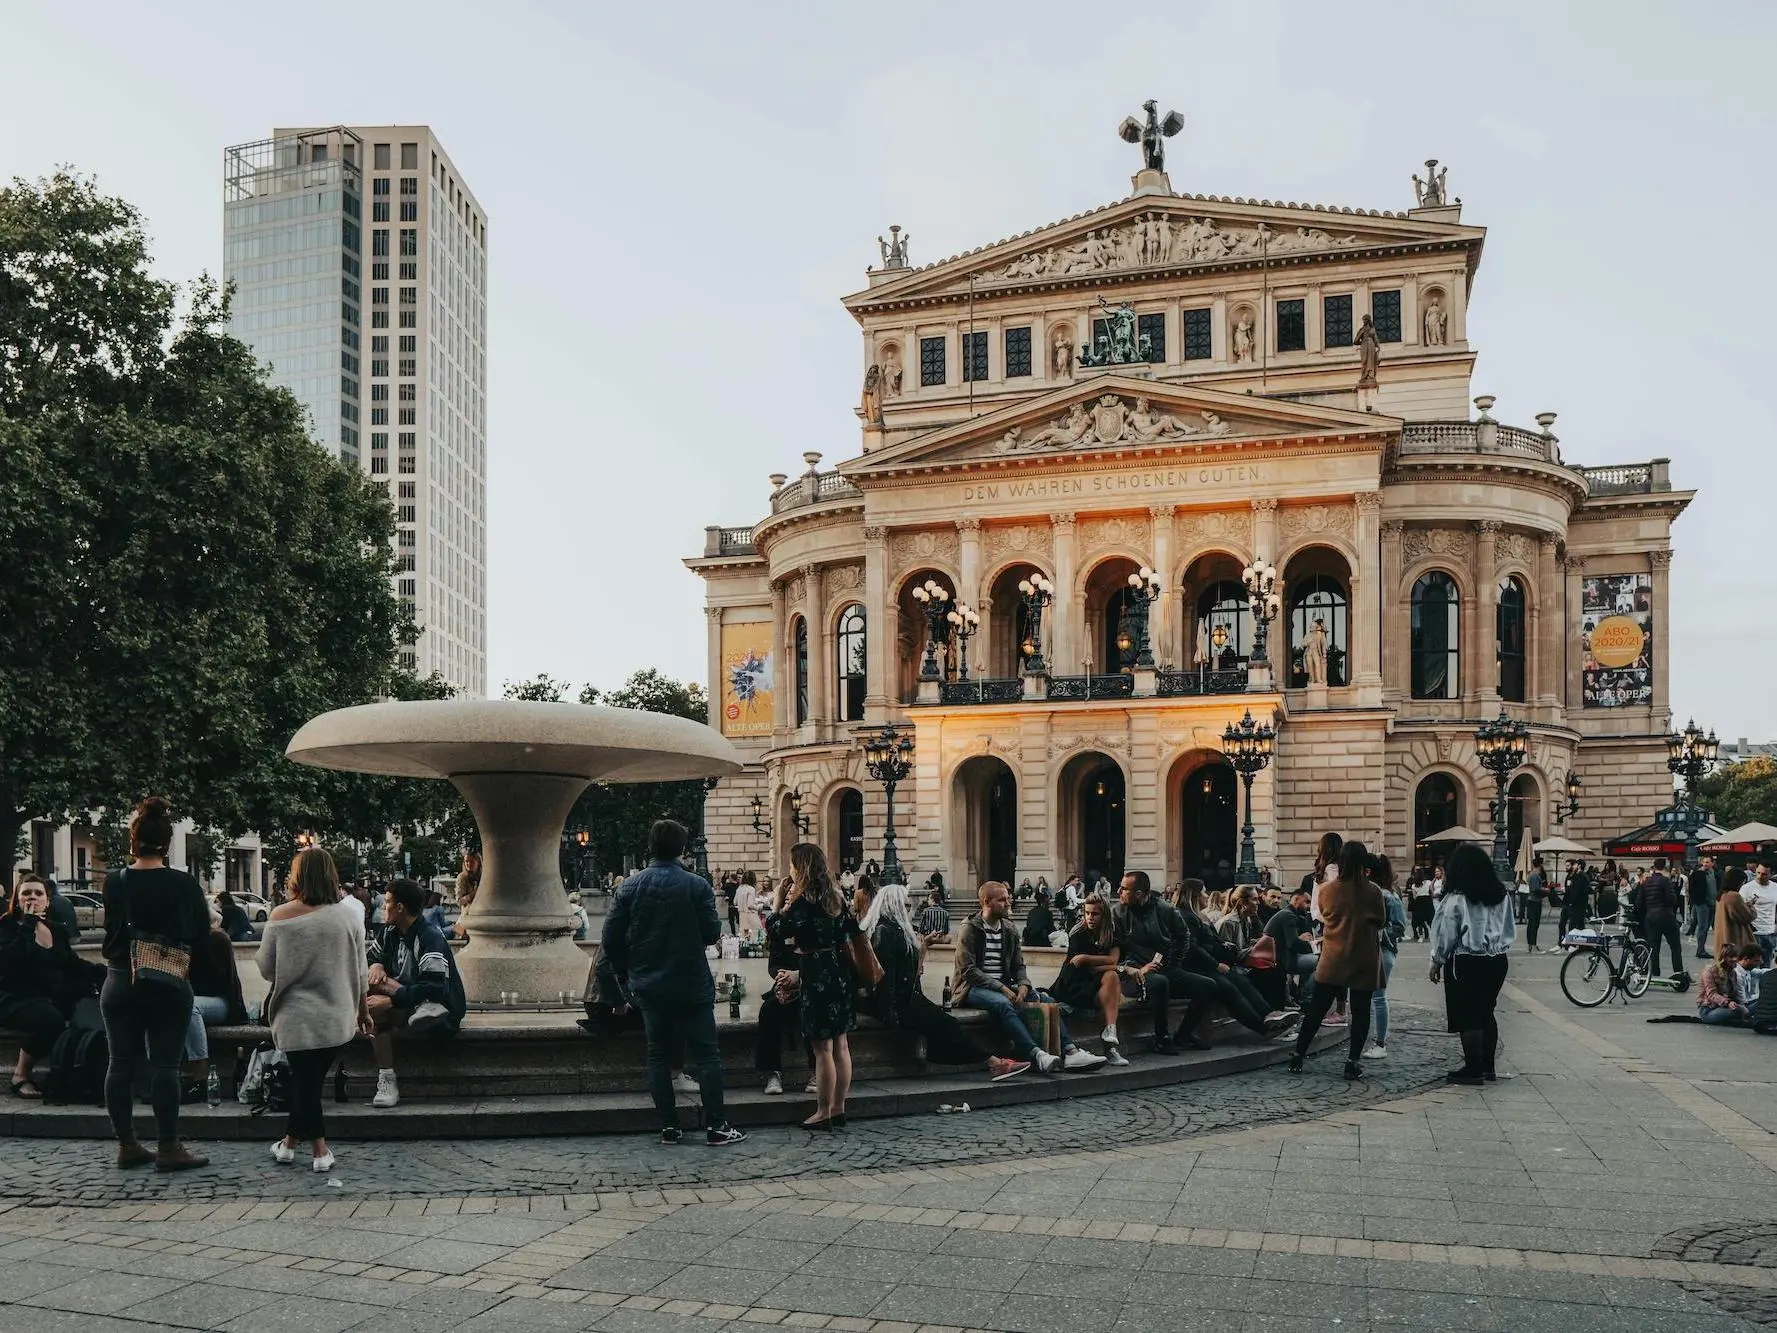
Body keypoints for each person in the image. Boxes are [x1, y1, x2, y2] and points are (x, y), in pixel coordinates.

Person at [603, 821, 746, 1146]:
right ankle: (717, 1126)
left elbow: (610, 939)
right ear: (683, 849)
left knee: (657, 1055)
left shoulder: (630, 887)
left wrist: (627, 974)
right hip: (691, 982)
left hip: (649, 984)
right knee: (707, 1055)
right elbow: (712, 932)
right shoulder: (697, 885)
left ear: (650, 847)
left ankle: (669, 1126)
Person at [100, 797, 210, 1171]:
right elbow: (200, 934)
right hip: (166, 982)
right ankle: (168, 1146)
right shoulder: (183, 884)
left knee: (119, 1064)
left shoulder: (114, 882)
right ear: (167, 843)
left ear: (133, 842)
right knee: (164, 1066)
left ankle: (127, 1143)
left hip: (119, 979)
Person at [257, 848, 369, 1172]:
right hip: (336, 1016)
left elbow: (267, 968)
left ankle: (319, 1151)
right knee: (309, 1082)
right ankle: (289, 1145)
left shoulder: (279, 916)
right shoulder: (350, 917)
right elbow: (361, 971)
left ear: (297, 876)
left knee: (305, 1083)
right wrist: (363, 1011)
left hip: (295, 1017)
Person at [859, 882, 1030, 1080]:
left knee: (946, 1023)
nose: (909, 910)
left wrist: (924, 947)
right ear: (894, 906)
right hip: (899, 1002)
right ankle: (994, 1062)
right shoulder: (885, 932)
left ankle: (994, 1062)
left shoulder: (893, 930)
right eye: (906, 905)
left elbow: (911, 974)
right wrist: (891, 1014)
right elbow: (885, 981)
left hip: (905, 998)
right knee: (948, 1025)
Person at [954, 880, 1105, 1073]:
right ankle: (1037, 1055)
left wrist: (1024, 984)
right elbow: (969, 970)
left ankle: (1071, 1052)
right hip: (971, 988)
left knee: (1046, 999)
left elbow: (1019, 965)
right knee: (1003, 1004)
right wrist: (1002, 988)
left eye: (1008, 899)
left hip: (1005, 985)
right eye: (1002, 900)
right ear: (986, 902)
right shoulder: (969, 928)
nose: (1009, 903)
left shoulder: (1009, 928)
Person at [782, 842, 879, 1129]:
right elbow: (854, 932)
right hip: (840, 972)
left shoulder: (803, 901)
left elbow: (779, 931)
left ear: (801, 867)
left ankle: (823, 1111)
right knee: (841, 1045)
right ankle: (839, 1108)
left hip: (816, 972)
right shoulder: (837, 899)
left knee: (822, 1048)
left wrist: (781, 904)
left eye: (792, 865)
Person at [365, 877, 468, 1110]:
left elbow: (435, 987)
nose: (383, 906)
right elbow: (370, 959)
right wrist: (376, 965)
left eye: (387, 902)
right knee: (369, 989)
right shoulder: (389, 932)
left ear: (400, 907)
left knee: (378, 1009)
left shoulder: (429, 935)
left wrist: (391, 1001)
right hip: (410, 998)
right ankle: (387, 1076)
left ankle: (387, 1078)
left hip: (440, 1005)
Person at [0, 874, 104, 1098]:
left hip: (51, 995)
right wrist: (28, 924)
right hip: (17, 998)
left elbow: (72, 965)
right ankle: (21, 1074)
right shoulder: (6, 926)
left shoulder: (55, 929)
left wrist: (105, 973)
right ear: (16, 900)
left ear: (47, 901)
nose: (32, 898)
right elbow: (12, 960)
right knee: (50, 1019)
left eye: (38, 893)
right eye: (26, 893)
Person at [1288, 842, 1385, 1080]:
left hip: (1335, 955)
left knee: (1318, 1008)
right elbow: (1381, 920)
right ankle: (1353, 1061)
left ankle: (1299, 1053)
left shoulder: (1327, 891)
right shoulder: (1373, 891)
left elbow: (1323, 914)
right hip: (1364, 956)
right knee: (1361, 1012)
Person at [1169, 880, 1297, 1043]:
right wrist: (1216, 964)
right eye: (1203, 892)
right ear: (1194, 895)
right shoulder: (1185, 916)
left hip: (1207, 965)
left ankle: (1270, 1015)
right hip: (1196, 968)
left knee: (1240, 980)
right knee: (1229, 987)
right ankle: (1263, 1027)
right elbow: (1193, 948)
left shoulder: (1196, 916)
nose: (1206, 896)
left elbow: (1210, 941)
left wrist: (1223, 945)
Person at [1429, 843, 1516, 1085]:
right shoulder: (1501, 895)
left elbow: (1446, 933)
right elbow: (1509, 928)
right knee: (1486, 1012)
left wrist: (1437, 961)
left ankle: (1473, 1067)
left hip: (1466, 960)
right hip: (1497, 959)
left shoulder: (1457, 899)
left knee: (1468, 1015)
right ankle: (1488, 1067)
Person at [1112, 871, 1219, 1055]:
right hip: (1131, 973)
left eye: (1124, 888)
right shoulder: (1117, 912)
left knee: (1207, 986)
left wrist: (1172, 963)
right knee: (1161, 983)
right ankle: (1162, 1038)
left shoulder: (1164, 909)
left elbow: (1183, 937)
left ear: (1139, 893)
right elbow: (1112, 948)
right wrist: (1131, 968)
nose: (1119, 891)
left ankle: (1183, 1035)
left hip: (1164, 967)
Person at [1048, 896, 1128, 1065]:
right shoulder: (1078, 932)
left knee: (1111, 977)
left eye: (1095, 914)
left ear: (1104, 915)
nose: (1090, 917)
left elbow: (1112, 960)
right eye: (1087, 913)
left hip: (1096, 981)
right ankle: (1110, 1048)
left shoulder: (1113, 930)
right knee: (1110, 990)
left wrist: (1086, 957)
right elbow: (1090, 966)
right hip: (1074, 985)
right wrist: (1114, 965)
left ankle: (1110, 1033)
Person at [183, 907, 249, 1100]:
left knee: (189, 1006)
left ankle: (201, 1073)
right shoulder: (194, 942)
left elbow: (217, 981)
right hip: (205, 999)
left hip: (222, 1002)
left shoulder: (216, 941)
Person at [1363, 855, 1407, 1062]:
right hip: (1376, 950)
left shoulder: (1388, 896)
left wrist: (1378, 932)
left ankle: (1380, 1043)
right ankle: (1376, 1041)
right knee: (1373, 997)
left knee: (1379, 997)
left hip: (1383, 950)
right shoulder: (1376, 893)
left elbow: (1399, 926)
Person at [1265, 884, 1319, 1007]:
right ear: (1295, 900)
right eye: (1306, 902)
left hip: (1282, 957)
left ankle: (1303, 997)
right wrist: (1313, 946)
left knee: (1314, 961)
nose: (1309, 906)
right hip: (1282, 960)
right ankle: (1306, 998)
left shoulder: (1290, 914)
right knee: (1323, 963)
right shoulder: (1288, 916)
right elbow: (1293, 943)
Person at [1632, 857, 1686, 980]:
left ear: (1654, 867)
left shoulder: (1646, 882)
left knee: (1653, 947)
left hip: (1651, 917)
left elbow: (1639, 903)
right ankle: (1678, 972)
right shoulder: (1665, 881)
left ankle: (1654, 973)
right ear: (1665, 867)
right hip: (1666, 916)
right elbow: (1672, 899)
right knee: (1675, 946)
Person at [1698, 945, 1758, 1027]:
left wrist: (1742, 1004)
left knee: (1760, 1003)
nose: (1734, 959)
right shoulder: (1710, 971)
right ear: (1724, 957)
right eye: (1731, 957)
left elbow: (1736, 994)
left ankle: (1745, 1016)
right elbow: (1712, 994)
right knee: (1740, 1011)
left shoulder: (1732, 972)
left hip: (1727, 1006)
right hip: (1709, 1009)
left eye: (1735, 957)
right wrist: (1728, 1002)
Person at [1715, 868, 1758, 967]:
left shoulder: (1721, 895)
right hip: (1735, 938)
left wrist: (1744, 905)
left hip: (1724, 938)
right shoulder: (1734, 896)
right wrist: (1751, 907)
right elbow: (1747, 916)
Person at [1743, 864, 1777, 967]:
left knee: (1766, 966)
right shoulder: (1747, 888)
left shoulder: (1775, 887)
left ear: (1771, 874)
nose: (1760, 876)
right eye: (1758, 873)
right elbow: (1740, 909)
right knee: (1752, 967)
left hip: (1770, 932)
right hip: (1753, 932)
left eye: (1764, 874)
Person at [1689, 856, 1718, 961]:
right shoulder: (1697, 874)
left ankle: (1702, 949)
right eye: (1704, 862)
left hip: (1713, 903)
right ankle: (1700, 950)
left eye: (1708, 862)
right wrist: (1697, 901)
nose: (1705, 864)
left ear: (1712, 863)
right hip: (1702, 903)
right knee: (1703, 927)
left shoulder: (1715, 873)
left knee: (1707, 927)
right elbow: (1691, 889)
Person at [453, 851, 481, 940]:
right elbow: (459, 901)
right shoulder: (462, 877)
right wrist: (473, 894)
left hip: (481, 914)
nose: (468, 864)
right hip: (466, 915)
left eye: (472, 861)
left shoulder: (483, 877)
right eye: (466, 861)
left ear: (478, 862)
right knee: (458, 930)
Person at [1524, 857, 1547, 953]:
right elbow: (1535, 889)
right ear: (1540, 866)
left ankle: (1531, 945)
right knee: (1534, 924)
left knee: (1532, 924)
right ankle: (1533, 945)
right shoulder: (1534, 875)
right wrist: (1545, 890)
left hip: (1533, 901)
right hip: (1534, 902)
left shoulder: (1533, 875)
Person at [734, 871, 763, 939]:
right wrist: (758, 907)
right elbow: (750, 905)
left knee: (745, 937)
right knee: (756, 936)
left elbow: (735, 902)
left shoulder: (739, 888)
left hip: (741, 915)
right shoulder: (751, 889)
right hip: (750, 915)